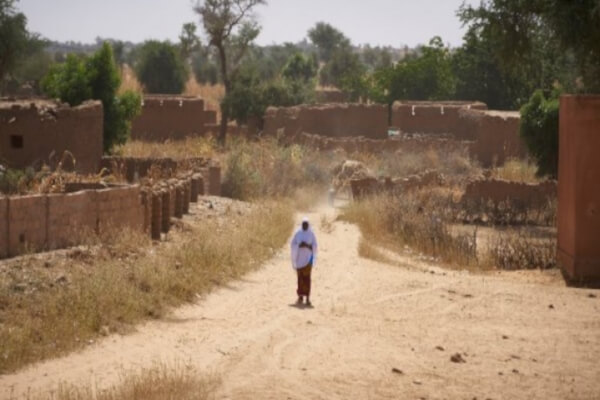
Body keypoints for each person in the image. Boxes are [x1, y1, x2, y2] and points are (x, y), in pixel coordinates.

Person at [290, 217, 318, 306]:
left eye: (306, 224)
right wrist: (299, 245)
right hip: (299, 260)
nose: (304, 225)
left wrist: (307, 246)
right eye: (303, 224)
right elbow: (292, 244)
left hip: (308, 260)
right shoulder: (298, 233)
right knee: (300, 279)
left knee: (307, 279)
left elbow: (315, 246)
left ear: (308, 224)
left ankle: (308, 298)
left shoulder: (311, 234)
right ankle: (300, 297)